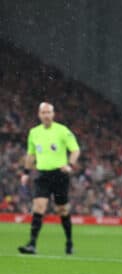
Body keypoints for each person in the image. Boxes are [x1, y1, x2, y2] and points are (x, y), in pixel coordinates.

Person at [18, 102, 80, 255]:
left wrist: (70, 165)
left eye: (49, 112)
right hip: (42, 174)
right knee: (38, 206)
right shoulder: (34, 132)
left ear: (53, 114)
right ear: (39, 115)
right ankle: (32, 244)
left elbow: (75, 149)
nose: (46, 115)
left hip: (60, 175)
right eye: (43, 112)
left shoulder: (62, 130)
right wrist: (25, 172)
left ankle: (69, 242)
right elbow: (31, 154)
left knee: (62, 209)